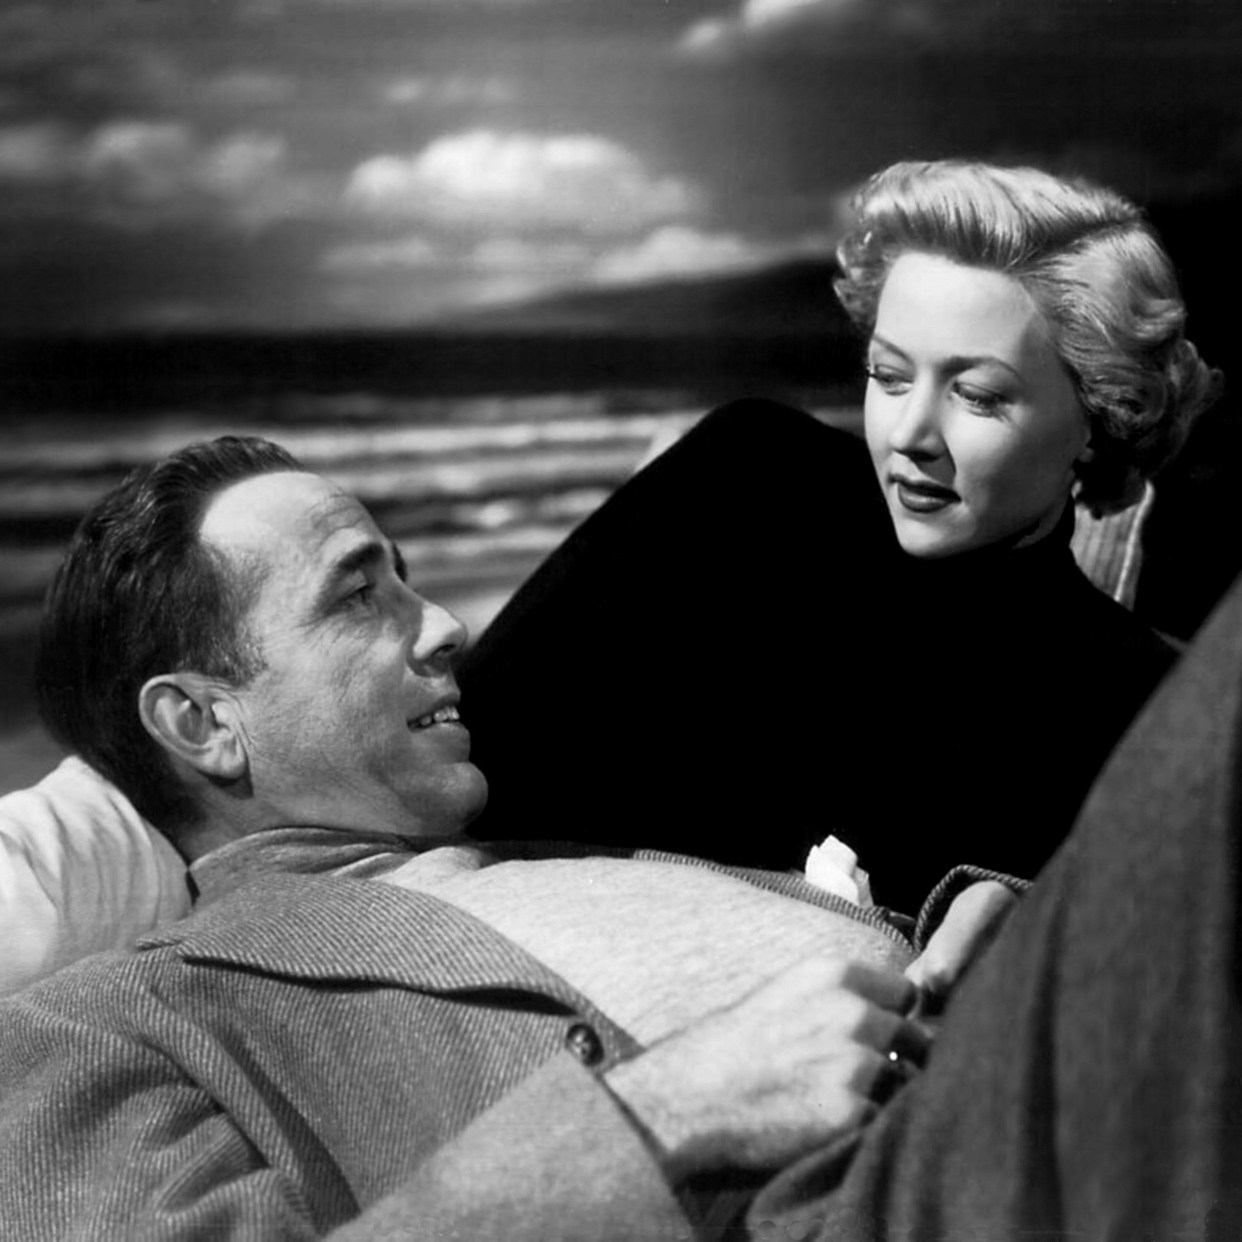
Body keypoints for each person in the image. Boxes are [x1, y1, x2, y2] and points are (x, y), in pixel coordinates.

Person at [2, 431, 1241, 1240]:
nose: (444, 626)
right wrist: (666, 1112)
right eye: (358, 592)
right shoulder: (99, 1028)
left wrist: (973, 931)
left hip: (1015, 1102)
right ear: (204, 723)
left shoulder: (543, 846)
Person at [459, 159, 1221, 914]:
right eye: (888, 376)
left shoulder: (1138, 705)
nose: (910, 434)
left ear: (1100, 415)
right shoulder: (748, 479)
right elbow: (473, 744)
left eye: (978, 395)